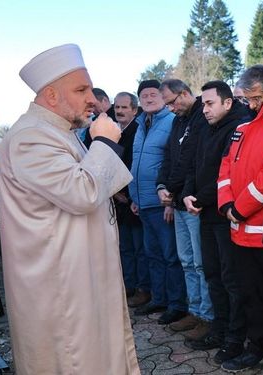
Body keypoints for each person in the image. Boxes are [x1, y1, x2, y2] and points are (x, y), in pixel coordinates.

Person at [0, 43, 139, 374]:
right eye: (81, 89)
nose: (92, 97)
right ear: (50, 95)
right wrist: (104, 142)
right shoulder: (31, 137)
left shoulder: (59, 132)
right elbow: (82, 193)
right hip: (61, 288)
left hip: (78, 275)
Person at [218, 65, 263, 374]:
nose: (248, 104)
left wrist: (241, 207)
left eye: (253, 98)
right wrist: (226, 205)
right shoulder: (243, 127)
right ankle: (257, 347)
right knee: (251, 298)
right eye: (245, 98)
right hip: (238, 231)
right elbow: (225, 167)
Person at [180, 80, 251, 361]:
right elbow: (194, 167)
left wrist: (199, 197)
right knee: (213, 274)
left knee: (231, 279)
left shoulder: (237, 127)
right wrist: (186, 193)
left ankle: (236, 337)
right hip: (206, 212)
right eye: (204, 103)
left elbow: (229, 176)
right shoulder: (206, 127)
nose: (205, 109)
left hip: (225, 215)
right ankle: (220, 329)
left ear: (228, 102)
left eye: (210, 104)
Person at [156, 79, 214, 338]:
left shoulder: (202, 116)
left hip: (192, 202)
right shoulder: (178, 120)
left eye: (171, 102)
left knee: (201, 263)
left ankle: (208, 316)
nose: (170, 108)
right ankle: (195, 310)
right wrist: (162, 186)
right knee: (187, 261)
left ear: (184, 93)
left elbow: (191, 162)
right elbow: (170, 156)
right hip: (178, 200)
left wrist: (173, 187)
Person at [129, 79, 188, 325]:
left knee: (171, 256)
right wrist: (135, 198)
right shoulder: (141, 124)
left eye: (154, 94)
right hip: (143, 203)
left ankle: (177, 304)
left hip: (162, 202)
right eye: (144, 95)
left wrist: (170, 201)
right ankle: (159, 298)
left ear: (163, 98)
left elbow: (175, 162)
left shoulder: (172, 121)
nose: (149, 98)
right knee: (152, 255)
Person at [112, 91, 151, 308]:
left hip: (132, 199)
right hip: (119, 200)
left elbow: (134, 166)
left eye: (124, 107)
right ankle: (129, 286)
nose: (119, 111)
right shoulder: (117, 132)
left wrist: (127, 194)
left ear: (134, 110)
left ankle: (143, 289)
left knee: (140, 248)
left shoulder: (138, 131)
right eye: (117, 107)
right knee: (126, 247)